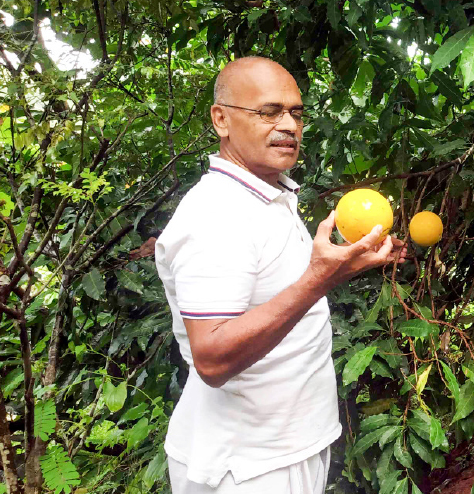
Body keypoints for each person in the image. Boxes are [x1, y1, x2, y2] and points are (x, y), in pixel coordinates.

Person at [155, 56, 406, 494]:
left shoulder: (266, 194)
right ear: (221, 119)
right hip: (246, 468)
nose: (288, 125)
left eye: (296, 112)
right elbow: (212, 358)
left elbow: (284, 295)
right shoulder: (217, 213)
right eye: (269, 112)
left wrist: (343, 266)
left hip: (283, 450)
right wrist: (320, 280)